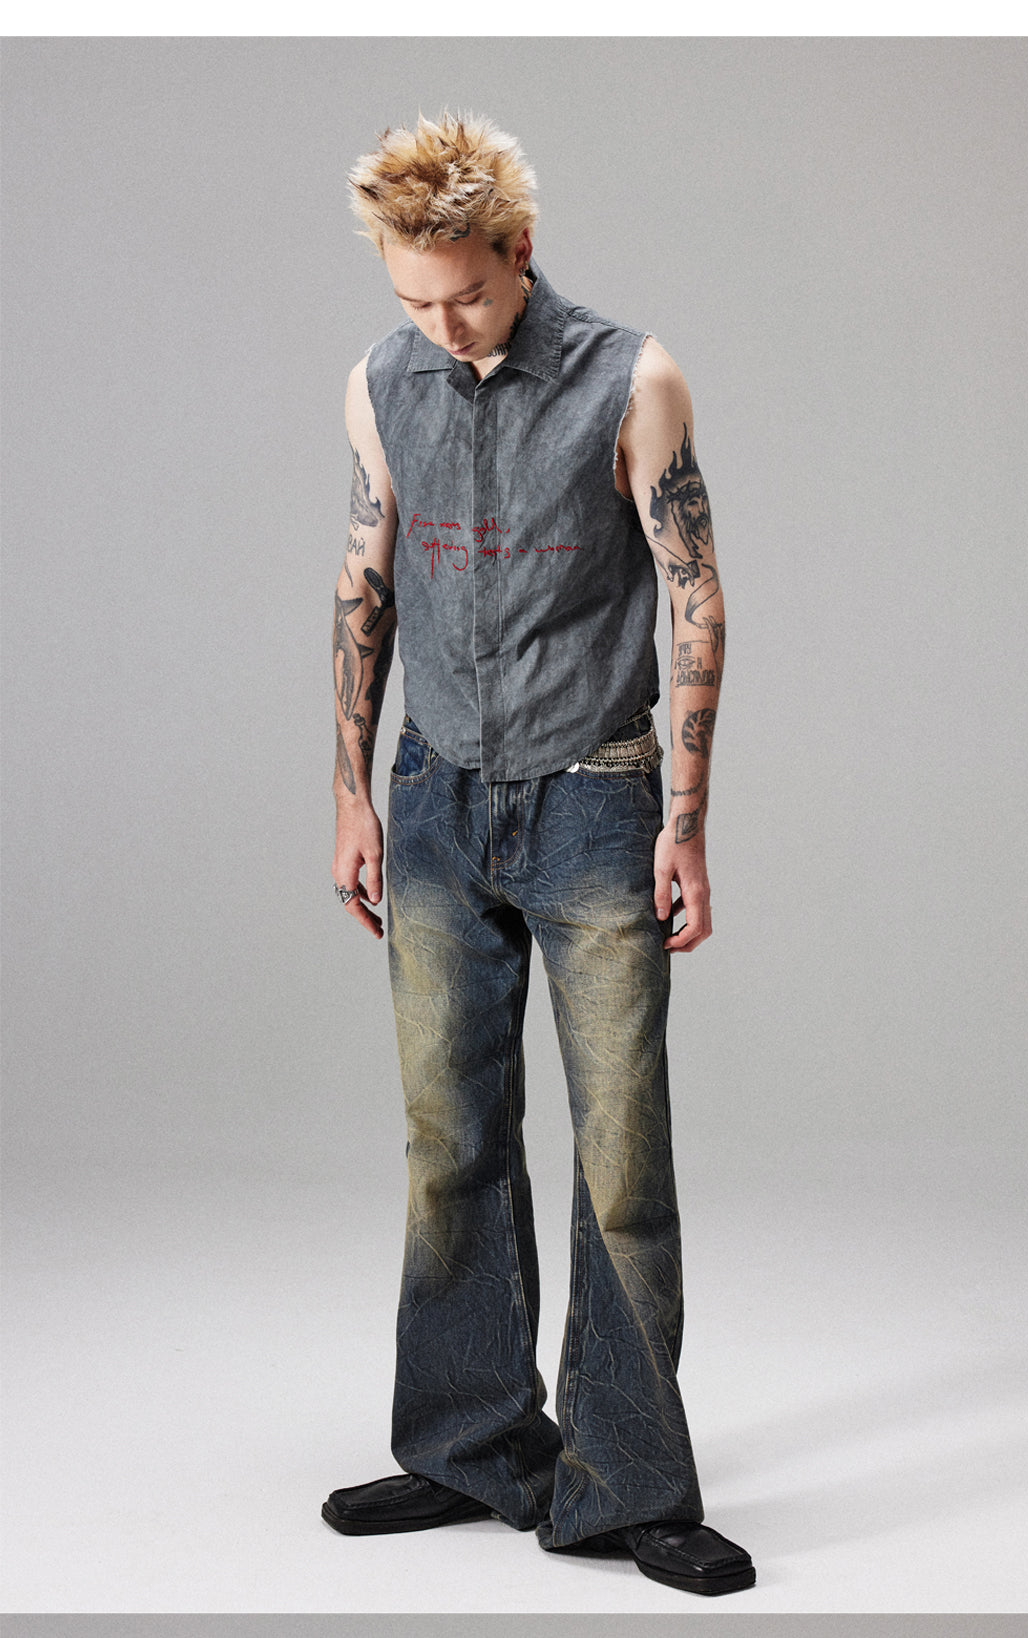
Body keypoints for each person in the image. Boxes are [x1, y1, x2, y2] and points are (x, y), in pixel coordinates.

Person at [323, 112, 754, 1598]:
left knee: (620, 1157)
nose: (440, 327)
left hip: (594, 799)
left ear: (518, 249)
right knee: (448, 1139)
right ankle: (469, 1444)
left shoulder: (632, 378)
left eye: (463, 296)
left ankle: (628, 1483)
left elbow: (695, 597)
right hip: (435, 801)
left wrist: (686, 822)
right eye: (412, 301)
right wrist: (350, 792)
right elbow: (365, 578)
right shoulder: (381, 381)